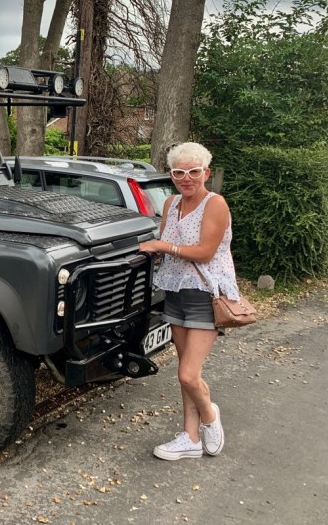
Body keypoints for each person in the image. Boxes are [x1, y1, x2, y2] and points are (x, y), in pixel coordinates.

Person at [139, 142, 238, 461]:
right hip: (175, 291)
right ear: (171, 175)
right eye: (179, 172)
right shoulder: (171, 203)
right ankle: (191, 438)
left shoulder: (215, 204)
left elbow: (205, 252)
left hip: (206, 294)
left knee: (188, 374)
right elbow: (168, 243)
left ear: (206, 173)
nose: (186, 178)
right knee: (185, 369)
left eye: (194, 171)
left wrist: (162, 246)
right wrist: (153, 252)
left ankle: (209, 415)